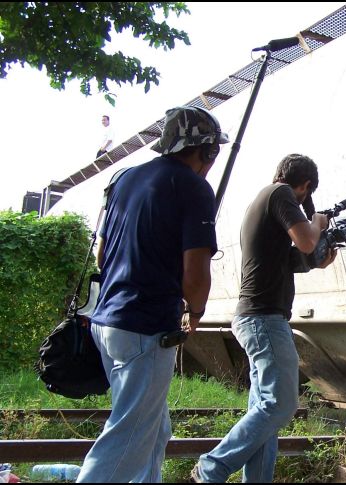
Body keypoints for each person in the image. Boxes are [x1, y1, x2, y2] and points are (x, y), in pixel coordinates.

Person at [77, 107, 228, 483]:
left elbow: (102, 252)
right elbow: (196, 271)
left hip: (106, 322)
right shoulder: (194, 188)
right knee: (127, 440)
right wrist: (195, 311)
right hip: (144, 328)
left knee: (153, 431)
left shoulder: (124, 179)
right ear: (206, 150)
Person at [193, 154, 336, 483]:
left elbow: (294, 257)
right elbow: (306, 238)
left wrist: (318, 261)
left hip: (258, 318)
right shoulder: (280, 193)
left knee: (265, 414)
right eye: (306, 195)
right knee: (282, 405)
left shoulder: (268, 205)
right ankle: (210, 469)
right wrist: (317, 221)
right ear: (304, 186)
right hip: (264, 319)